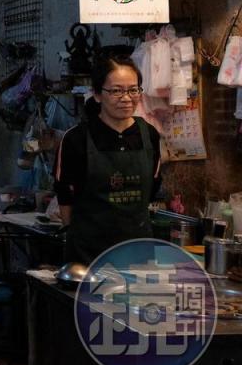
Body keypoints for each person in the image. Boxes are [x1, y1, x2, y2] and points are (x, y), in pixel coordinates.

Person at [53, 55, 163, 264]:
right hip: (88, 254)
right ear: (97, 94)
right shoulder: (76, 139)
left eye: (133, 89)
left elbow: (154, 184)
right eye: (116, 91)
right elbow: (64, 192)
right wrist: (74, 235)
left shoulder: (149, 134)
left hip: (138, 250)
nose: (126, 98)